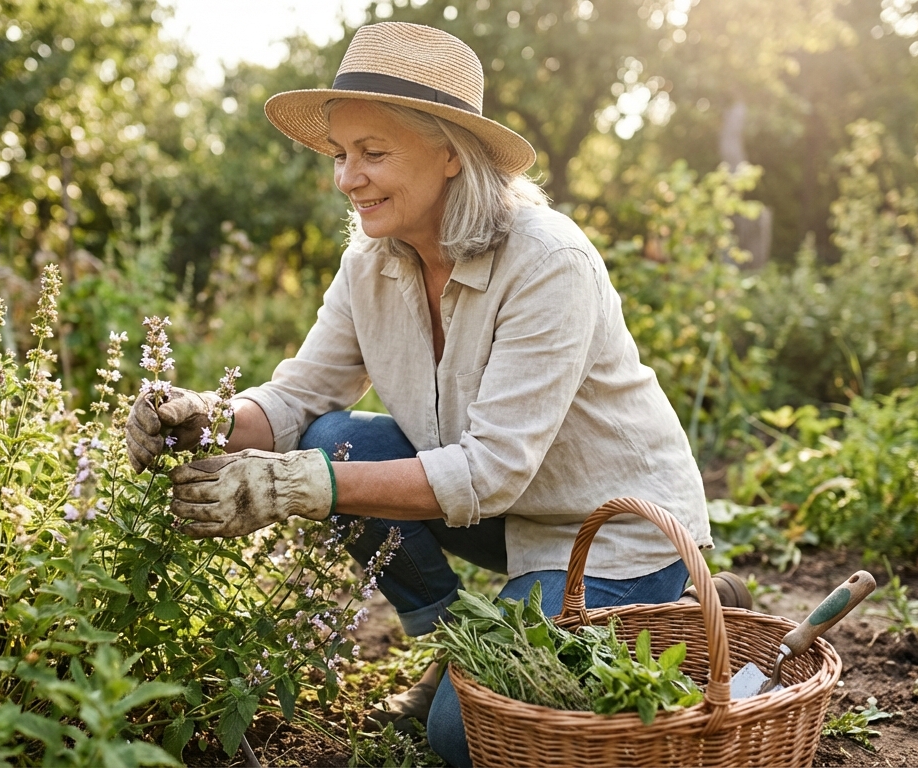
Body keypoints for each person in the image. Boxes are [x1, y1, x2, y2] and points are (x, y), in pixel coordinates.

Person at [125, 22, 716, 767]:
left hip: (610, 533)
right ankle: (452, 651)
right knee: (338, 438)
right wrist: (200, 420)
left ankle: (659, 611)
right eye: (342, 155)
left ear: (449, 155)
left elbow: (493, 469)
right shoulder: (370, 264)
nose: (347, 178)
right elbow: (298, 400)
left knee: (458, 738)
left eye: (373, 154)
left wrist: (300, 487)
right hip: (508, 515)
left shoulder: (549, 262)